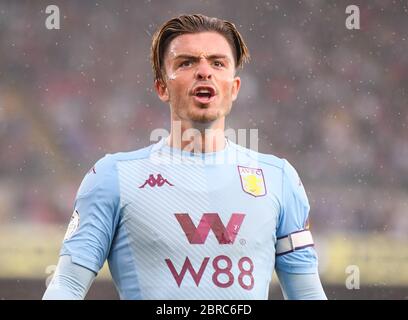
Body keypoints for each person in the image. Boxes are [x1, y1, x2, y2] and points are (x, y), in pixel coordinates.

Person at [43, 14, 326, 300]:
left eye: (218, 63)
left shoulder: (279, 178)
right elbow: (67, 286)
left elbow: (308, 295)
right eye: (186, 62)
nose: (204, 71)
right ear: (162, 87)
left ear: (235, 87)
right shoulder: (112, 177)